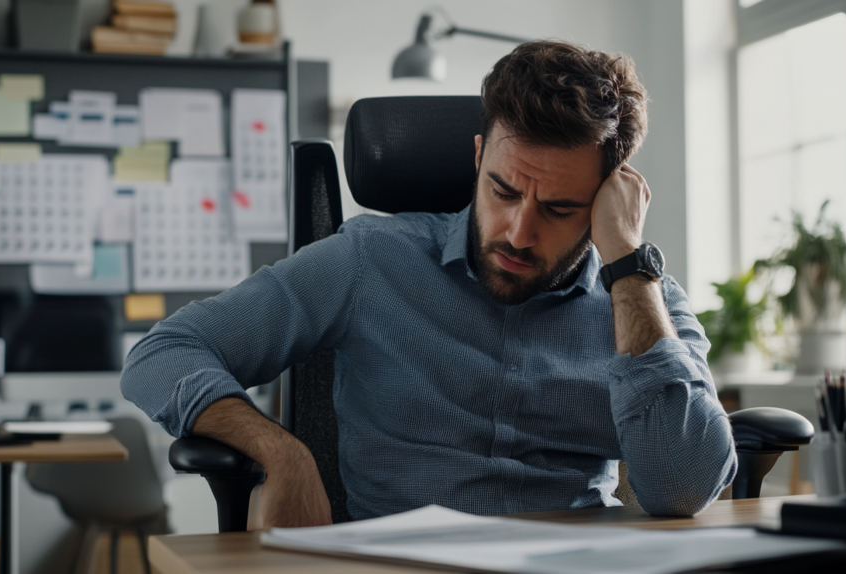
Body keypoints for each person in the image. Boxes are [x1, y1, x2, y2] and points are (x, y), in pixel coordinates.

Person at [121, 40, 736, 528]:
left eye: (559, 208)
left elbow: (682, 487)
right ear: (477, 157)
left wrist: (627, 263)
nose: (519, 232)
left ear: (609, 199)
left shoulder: (644, 302)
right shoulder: (370, 261)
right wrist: (281, 452)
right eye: (504, 190)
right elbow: (161, 354)